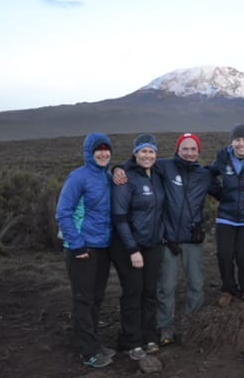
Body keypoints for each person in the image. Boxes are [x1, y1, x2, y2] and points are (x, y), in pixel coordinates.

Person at [55, 133, 116, 368]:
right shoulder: (78, 177)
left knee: (96, 298)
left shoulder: (108, 177)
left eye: (106, 149)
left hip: (102, 247)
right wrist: (77, 244)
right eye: (97, 150)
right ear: (89, 153)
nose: (103, 153)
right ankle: (88, 351)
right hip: (82, 249)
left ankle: (94, 343)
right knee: (83, 299)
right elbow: (63, 212)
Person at [155, 133, 218, 346]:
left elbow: (225, 194)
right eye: (185, 149)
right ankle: (165, 327)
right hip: (169, 239)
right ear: (178, 150)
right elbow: (138, 163)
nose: (189, 153)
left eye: (193, 149)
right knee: (166, 286)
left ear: (198, 151)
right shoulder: (164, 167)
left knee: (196, 284)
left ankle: (193, 325)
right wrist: (118, 169)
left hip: (193, 238)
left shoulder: (204, 174)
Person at [111, 134, 166, 360]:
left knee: (149, 291)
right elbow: (120, 216)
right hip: (128, 246)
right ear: (135, 153)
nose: (147, 155)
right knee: (133, 292)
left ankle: (149, 336)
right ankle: (132, 341)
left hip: (153, 243)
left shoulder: (158, 174)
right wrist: (133, 249)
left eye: (151, 151)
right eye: (143, 151)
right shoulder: (125, 178)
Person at [210, 124, 244, 307]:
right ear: (232, 141)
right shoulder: (223, 156)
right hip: (226, 215)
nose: (241, 144)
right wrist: (220, 194)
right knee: (224, 254)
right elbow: (209, 175)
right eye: (237, 140)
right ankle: (228, 289)